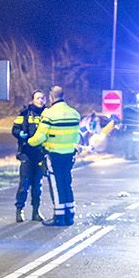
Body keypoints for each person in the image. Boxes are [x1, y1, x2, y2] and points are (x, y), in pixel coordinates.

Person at [30, 84, 83, 226]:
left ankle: (59, 216)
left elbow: (39, 137)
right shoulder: (74, 113)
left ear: (52, 97)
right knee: (67, 183)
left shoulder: (49, 114)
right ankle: (69, 215)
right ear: (63, 96)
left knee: (56, 185)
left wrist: (29, 142)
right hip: (69, 155)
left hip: (54, 156)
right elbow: (77, 136)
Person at [12, 89, 47, 222]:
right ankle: (19, 210)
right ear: (32, 99)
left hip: (40, 154)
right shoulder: (25, 113)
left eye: (42, 98)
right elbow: (15, 129)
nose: (40, 100)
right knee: (24, 184)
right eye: (38, 98)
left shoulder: (47, 114)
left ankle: (36, 212)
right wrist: (19, 133)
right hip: (27, 153)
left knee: (37, 185)